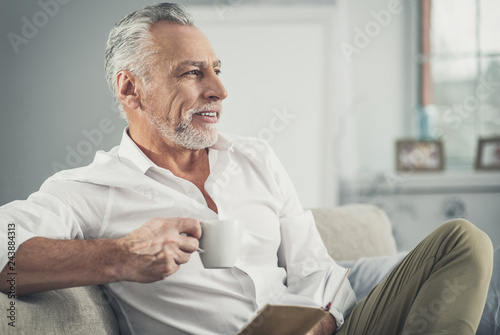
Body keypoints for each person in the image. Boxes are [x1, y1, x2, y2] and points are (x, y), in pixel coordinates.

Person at [0, 3, 493, 335]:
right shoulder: (93, 189)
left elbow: (315, 269)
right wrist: (121, 255)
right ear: (130, 90)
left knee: (462, 242)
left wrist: (324, 317)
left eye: (217, 69)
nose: (218, 89)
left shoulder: (255, 157)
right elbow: (4, 251)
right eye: (193, 72)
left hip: (324, 330)